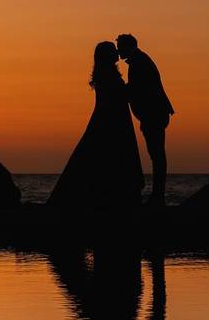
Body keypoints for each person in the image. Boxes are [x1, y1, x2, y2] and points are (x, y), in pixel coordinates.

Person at [48, 41, 144, 210]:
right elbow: (118, 96)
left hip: (111, 118)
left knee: (96, 155)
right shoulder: (108, 75)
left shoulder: (106, 73)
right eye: (113, 50)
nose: (117, 52)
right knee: (106, 156)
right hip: (111, 120)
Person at [116, 34, 174, 207]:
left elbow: (136, 89)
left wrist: (119, 91)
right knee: (156, 154)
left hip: (154, 115)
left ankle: (158, 196)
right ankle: (158, 196)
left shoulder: (139, 62)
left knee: (157, 154)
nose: (118, 50)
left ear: (129, 47)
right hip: (153, 114)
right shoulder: (139, 60)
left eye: (121, 47)